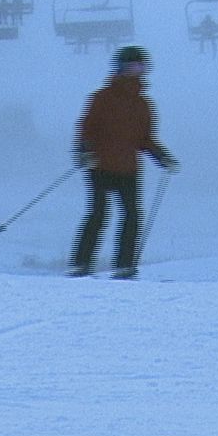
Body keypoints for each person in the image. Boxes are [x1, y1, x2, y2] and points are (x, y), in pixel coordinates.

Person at [70, 45, 177, 279]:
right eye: (131, 67)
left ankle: (124, 265)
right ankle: (81, 263)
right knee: (98, 214)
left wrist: (162, 157)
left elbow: (145, 139)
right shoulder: (103, 97)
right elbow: (87, 127)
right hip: (100, 165)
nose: (136, 71)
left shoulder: (143, 105)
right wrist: (83, 151)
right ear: (120, 69)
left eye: (141, 67)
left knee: (132, 215)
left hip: (128, 168)